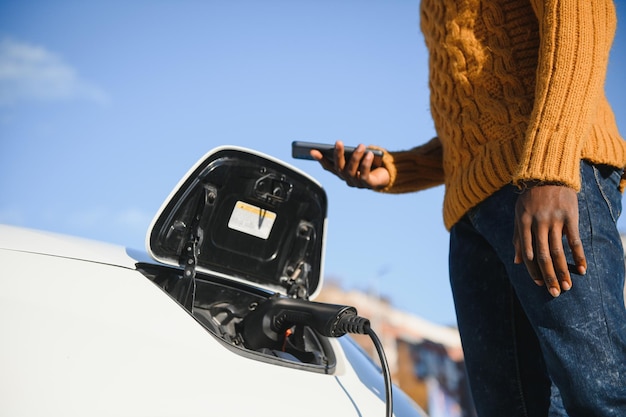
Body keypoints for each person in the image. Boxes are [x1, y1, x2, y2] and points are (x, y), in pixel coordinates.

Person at [311, 0, 626, 416]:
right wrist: (397, 169)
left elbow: (582, 15)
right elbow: (481, 119)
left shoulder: (549, 172)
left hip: (551, 183)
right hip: (472, 214)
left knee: (599, 396)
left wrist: (549, 169)